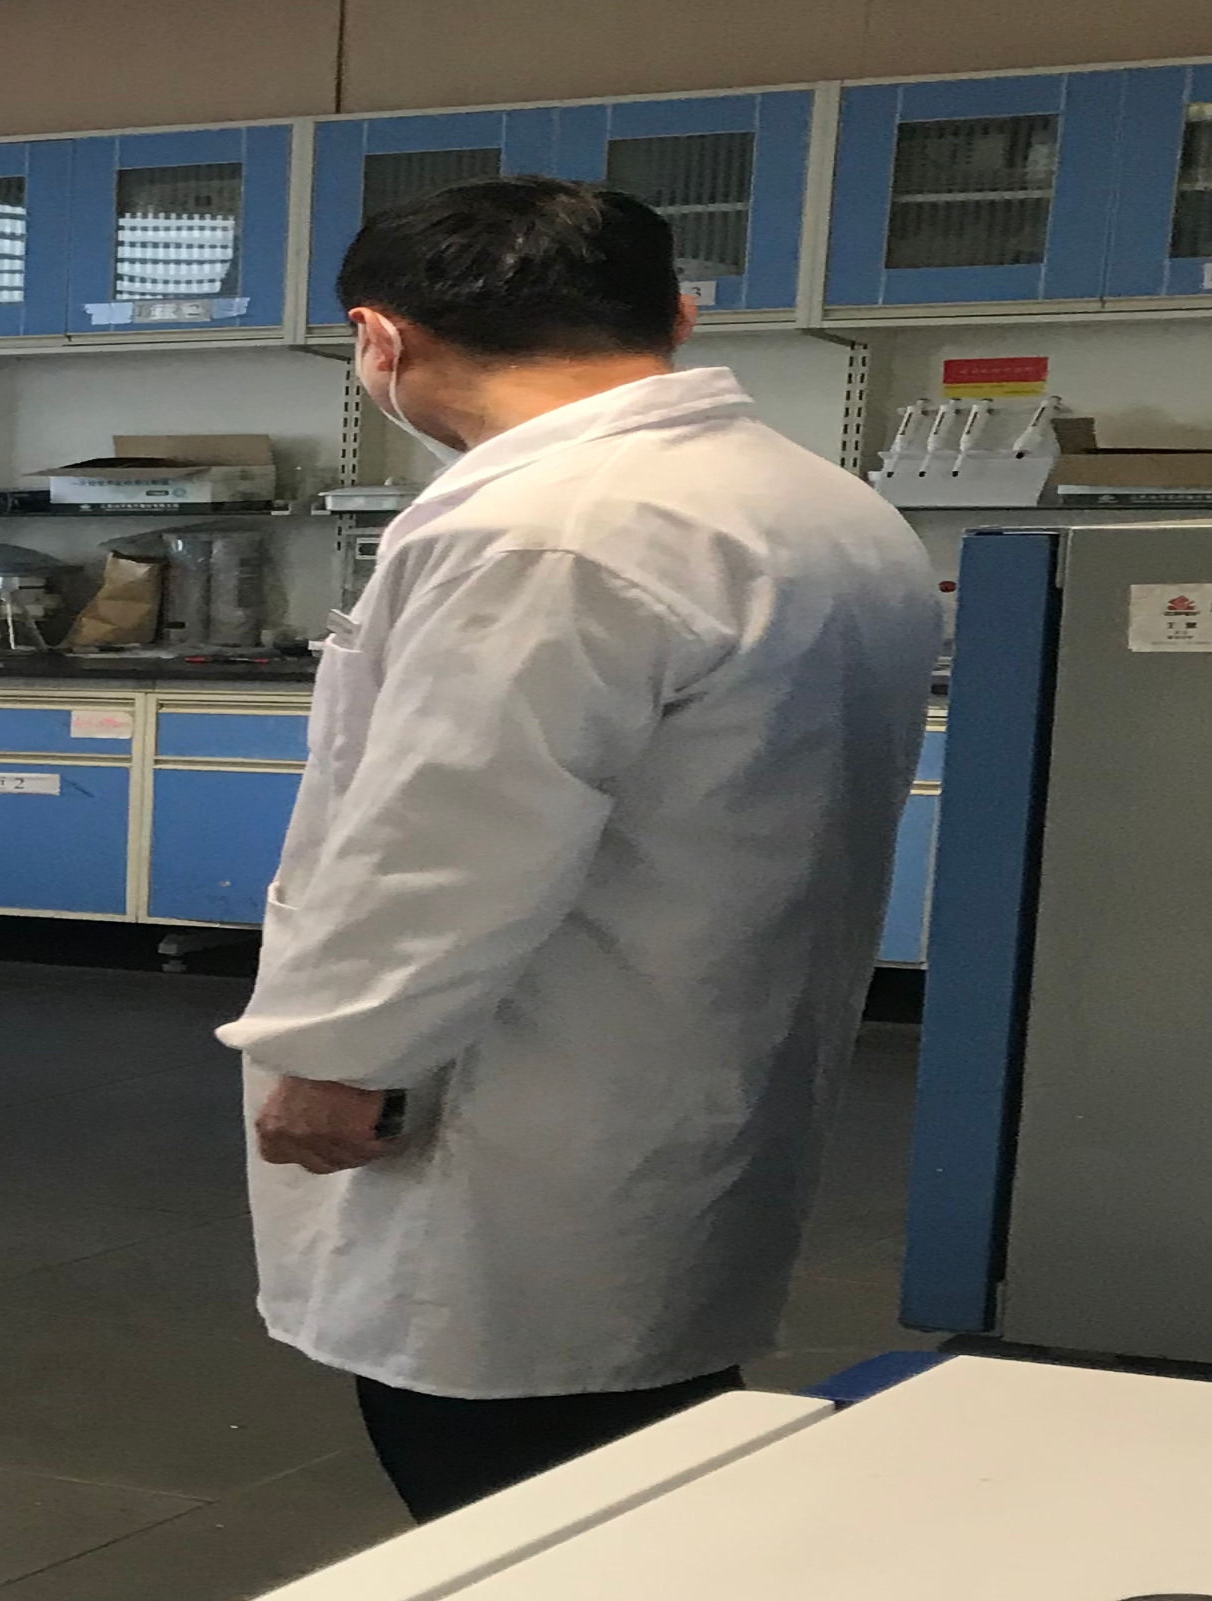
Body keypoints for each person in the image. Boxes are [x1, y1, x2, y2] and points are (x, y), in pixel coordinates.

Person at [221, 176, 942, 1522]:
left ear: (379, 339)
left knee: (505, 1463)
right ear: (678, 315)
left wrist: (342, 1056)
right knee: (646, 1430)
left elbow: (450, 837)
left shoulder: (543, 530)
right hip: (702, 1047)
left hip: (531, 1090)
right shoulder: (816, 503)